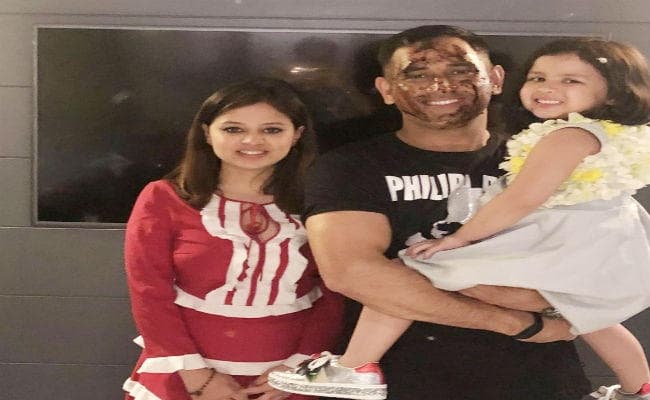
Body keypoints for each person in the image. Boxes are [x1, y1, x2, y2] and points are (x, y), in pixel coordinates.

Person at [268, 26, 591, 400]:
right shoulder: (348, 167)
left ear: (496, 79)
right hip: (402, 381)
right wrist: (517, 322)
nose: (440, 85)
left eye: (459, 70)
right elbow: (353, 273)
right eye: (418, 74)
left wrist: (543, 301)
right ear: (386, 90)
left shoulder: (549, 161)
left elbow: (594, 267)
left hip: (540, 381)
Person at [121, 78, 344, 400]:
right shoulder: (163, 197)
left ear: (297, 135)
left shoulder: (323, 201)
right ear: (206, 132)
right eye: (233, 129)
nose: (252, 141)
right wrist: (197, 378)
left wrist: (301, 367)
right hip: (185, 372)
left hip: (290, 376)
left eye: (272, 129)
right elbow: (148, 291)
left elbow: (336, 293)